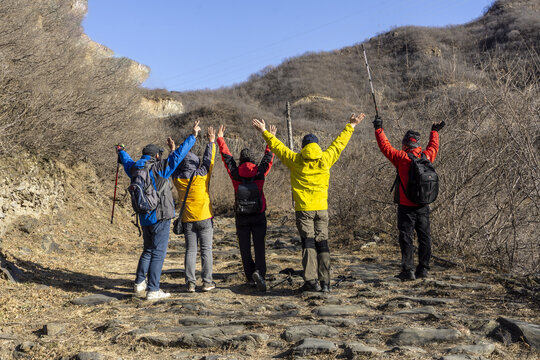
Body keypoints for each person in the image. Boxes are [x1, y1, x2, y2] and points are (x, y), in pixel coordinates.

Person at [252, 113, 365, 292]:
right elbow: (339, 144)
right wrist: (351, 125)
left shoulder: (296, 160)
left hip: (304, 209)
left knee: (308, 244)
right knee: (323, 243)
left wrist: (265, 132)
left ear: (303, 147)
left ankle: (311, 281)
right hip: (322, 208)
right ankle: (325, 283)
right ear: (317, 146)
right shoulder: (325, 159)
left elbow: (278, 147)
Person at [117, 121, 200, 300]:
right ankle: (153, 290)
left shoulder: (135, 168)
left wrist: (120, 151)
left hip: (144, 215)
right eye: (159, 154)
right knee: (158, 252)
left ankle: (139, 284)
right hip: (160, 216)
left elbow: (126, 160)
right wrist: (193, 136)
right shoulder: (160, 168)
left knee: (147, 249)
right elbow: (178, 156)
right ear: (156, 155)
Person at [373, 115, 445, 280]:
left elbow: (384, 146)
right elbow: (434, 146)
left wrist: (379, 128)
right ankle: (424, 269)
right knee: (424, 237)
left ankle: (408, 271)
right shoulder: (426, 158)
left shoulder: (401, 158)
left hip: (406, 207)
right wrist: (434, 131)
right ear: (418, 145)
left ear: (405, 144)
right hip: (423, 206)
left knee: (406, 238)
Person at [216, 124, 276, 292]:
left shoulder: (235, 173)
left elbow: (226, 157)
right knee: (259, 245)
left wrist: (220, 138)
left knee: (244, 246)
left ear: (241, 160)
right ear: (253, 160)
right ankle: (260, 273)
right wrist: (269, 137)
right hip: (259, 213)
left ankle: (250, 277)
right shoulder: (260, 172)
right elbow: (268, 156)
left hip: (241, 215)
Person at [171, 127, 217, 293]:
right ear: (194, 164)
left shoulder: (176, 178)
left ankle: (190, 283)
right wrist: (211, 142)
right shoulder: (202, 175)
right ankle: (207, 282)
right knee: (206, 251)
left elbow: (174, 163)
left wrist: (174, 151)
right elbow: (208, 160)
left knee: (190, 251)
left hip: (187, 219)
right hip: (204, 216)